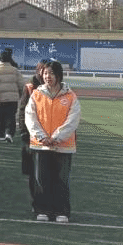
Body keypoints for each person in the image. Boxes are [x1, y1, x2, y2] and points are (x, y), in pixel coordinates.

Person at [24, 59, 80, 223]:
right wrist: (41, 136)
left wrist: (56, 137)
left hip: (63, 146)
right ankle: (43, 210)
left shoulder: (70, 96)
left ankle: (61, 211)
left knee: (61, 180)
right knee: (41, 179)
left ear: (59, 75)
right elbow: (30, 117)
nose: (48, 76)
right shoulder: (36, 94)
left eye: (52, 73)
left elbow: (73, 120)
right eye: (45, 73)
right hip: (41, 145)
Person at [0, 49, 24, 143]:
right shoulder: (15, 70)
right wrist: (20, 95)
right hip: (13, 99)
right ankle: (9, 134)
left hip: (0, 99)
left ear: (0, 59)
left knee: (1, 118)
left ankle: (1, 135)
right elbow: (21, 85)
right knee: (11, 117)